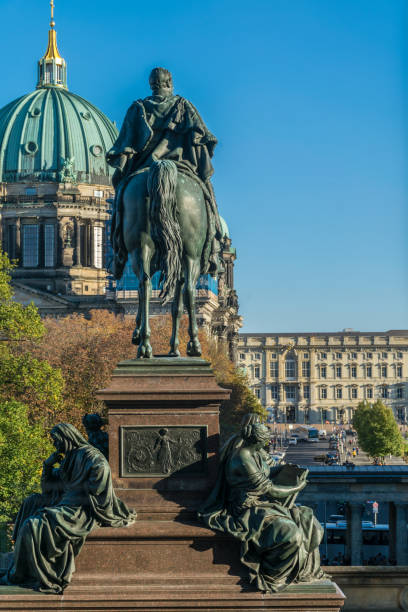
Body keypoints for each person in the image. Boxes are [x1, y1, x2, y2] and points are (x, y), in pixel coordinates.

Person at [106, 67, 223, 280]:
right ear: (169, 83)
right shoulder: (184, 107)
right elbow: (203, 140)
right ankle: (214, 246)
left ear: (151, 85)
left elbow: (124, 149)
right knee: (208, 196)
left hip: (143, 168)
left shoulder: (137, 109)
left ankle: (117, 255)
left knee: (120, 198)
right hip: (182, 166)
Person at [0, 423, 136, 593]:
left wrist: (84, 492)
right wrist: (48, 466)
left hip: (80, 508)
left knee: (33, 525)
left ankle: (23, 573)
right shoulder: (69, 457)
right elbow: (48, 489)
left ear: (67, 437)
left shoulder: (91, 456)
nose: (55, 445)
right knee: (30, 502)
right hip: (64, 501)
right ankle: (22, 565)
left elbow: (102, 471)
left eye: (56, 441)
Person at [199, 414, 327, 593]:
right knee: (291, 535)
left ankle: (300, 571)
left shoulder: (253, 452)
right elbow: (271, 490)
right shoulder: (242, 458)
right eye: (266, 441)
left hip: (261, 504)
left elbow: (265, 473)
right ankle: (273, 576)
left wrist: (281, 469)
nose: (267, 445)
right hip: (247, 510)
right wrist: (298, 486)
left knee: (310, 522)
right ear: (258, 441)